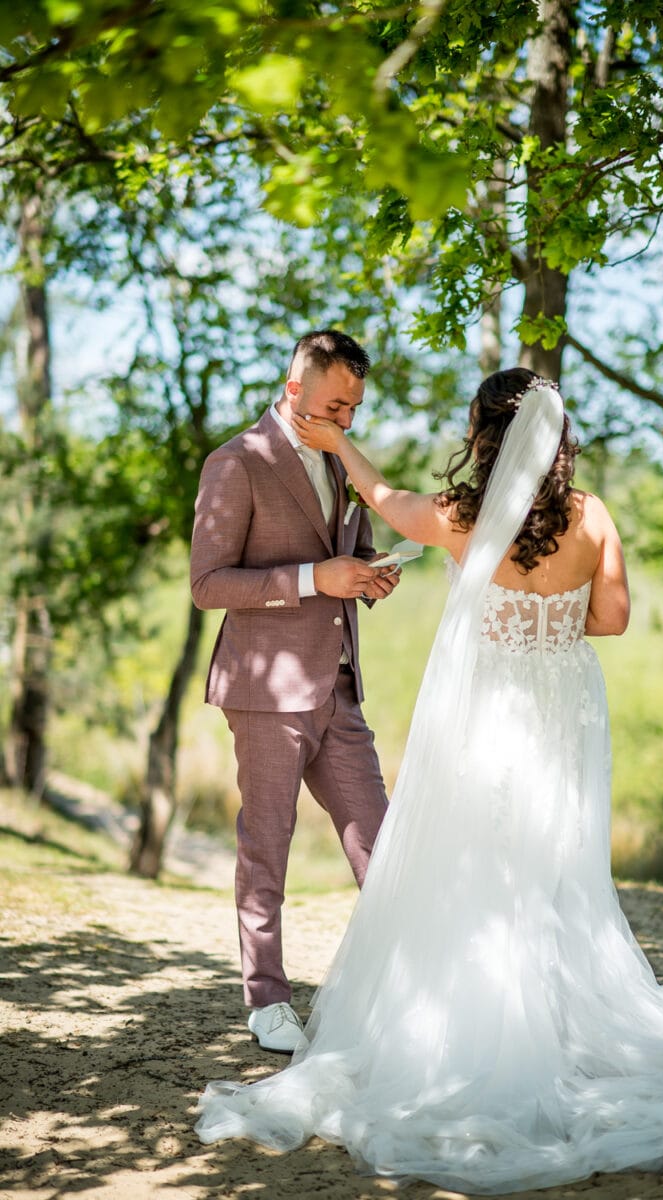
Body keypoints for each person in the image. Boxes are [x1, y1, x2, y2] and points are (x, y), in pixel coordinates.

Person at [195, 368, 663, 1193]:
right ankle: (557, 1019)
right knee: (551, 863)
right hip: (561, 709)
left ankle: (475, 1022)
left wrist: (339, 443)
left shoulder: (463, 516)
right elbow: (613, 617)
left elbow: (384, 501)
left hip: (488, 712)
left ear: (485, 435)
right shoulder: (593, 516)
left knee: (478, 861)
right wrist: (548, 622)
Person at [190, 330, 399, 1054]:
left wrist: (369, 573)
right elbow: (207, 584)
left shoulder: (341, 459)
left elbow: (352, 552)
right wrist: (316, 578)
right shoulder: (235, 462)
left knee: (382, 844)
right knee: (267, 844)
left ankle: (409, 989)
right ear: (294, 390)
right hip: (264, 690)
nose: (346, 421)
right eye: (336, 406)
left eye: (355, 408)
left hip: (339, 688)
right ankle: (267, 1001)